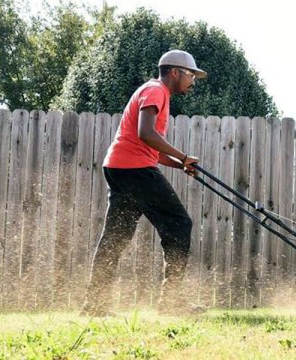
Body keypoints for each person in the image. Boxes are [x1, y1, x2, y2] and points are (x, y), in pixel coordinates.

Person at [81, 50, 207, 316]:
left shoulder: (156, 93)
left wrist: (180, 163)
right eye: (191, 75)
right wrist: (182, 155)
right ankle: (171, 301)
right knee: (178, 224)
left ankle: (94, 305)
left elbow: (151, 146)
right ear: (175, 72)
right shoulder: (155, 91)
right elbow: (145, 133)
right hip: (135, 170)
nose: (193, 81)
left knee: (115, 238)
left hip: (121, 168)